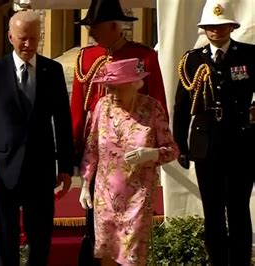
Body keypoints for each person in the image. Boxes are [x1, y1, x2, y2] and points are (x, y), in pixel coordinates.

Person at [0, 10, 74, 266]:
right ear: (10, 37)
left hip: (41, 168)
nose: (28, 44)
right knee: (6, 239)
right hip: (2, 170)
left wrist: (66, 168)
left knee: (40, 238)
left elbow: (62, 121)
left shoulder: (53, 70)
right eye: (22, 38)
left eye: (34, 38)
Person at [173, 1, 255, 265]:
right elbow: (182, 106)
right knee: (213, 212)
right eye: (210, 26)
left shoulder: (250, 55)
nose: (216, 31)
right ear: (204, 29)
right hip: (206, 146)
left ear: (232, 26)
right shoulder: (192, 59)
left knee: (239, 210)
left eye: (221, 26)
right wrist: (180, 145)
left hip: (242, 144)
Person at [79, 58, 179, 266]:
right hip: (105, 196)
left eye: (116, 88)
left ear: (135, 84)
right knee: (107, 251)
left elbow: (172, 151)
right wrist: (85, 184)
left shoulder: (152, 108)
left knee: (132, 256)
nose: (111, 94)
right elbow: (92, 147)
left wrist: (150, 154)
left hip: (138, 197)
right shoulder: (102, 107)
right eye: (108, 88)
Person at [72, 0, 167, 170]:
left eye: (95, 28)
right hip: (96, 141)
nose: (91, 34)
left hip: (134, 139)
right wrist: (75, 144)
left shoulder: (143, 56)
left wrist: (159, 142)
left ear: (115, 27)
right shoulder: (87, 57)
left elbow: (158, 100)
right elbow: (78, 108)